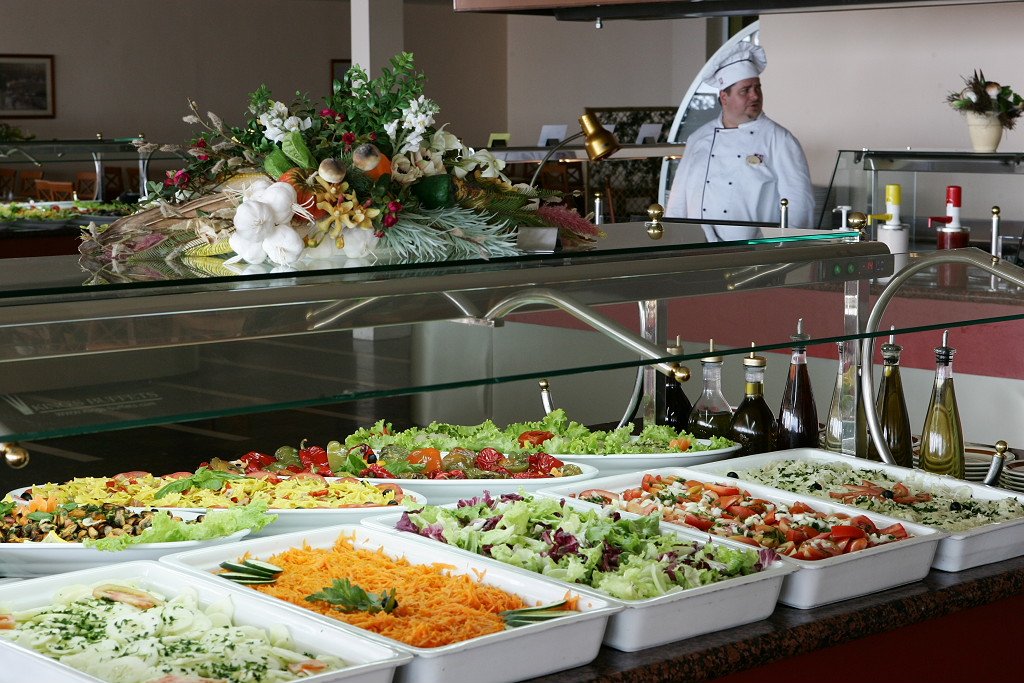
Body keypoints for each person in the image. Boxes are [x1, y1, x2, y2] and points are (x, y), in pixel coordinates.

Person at [665, 43, 815, 231]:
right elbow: (678, 202)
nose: (755, 96)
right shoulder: (698, 139)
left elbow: (799, 205)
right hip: (699, 244)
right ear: (724, 97)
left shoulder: (780, 139)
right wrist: (674, 236)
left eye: (757, 88)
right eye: (745, 90)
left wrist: (784, 245)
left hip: (755, 246)